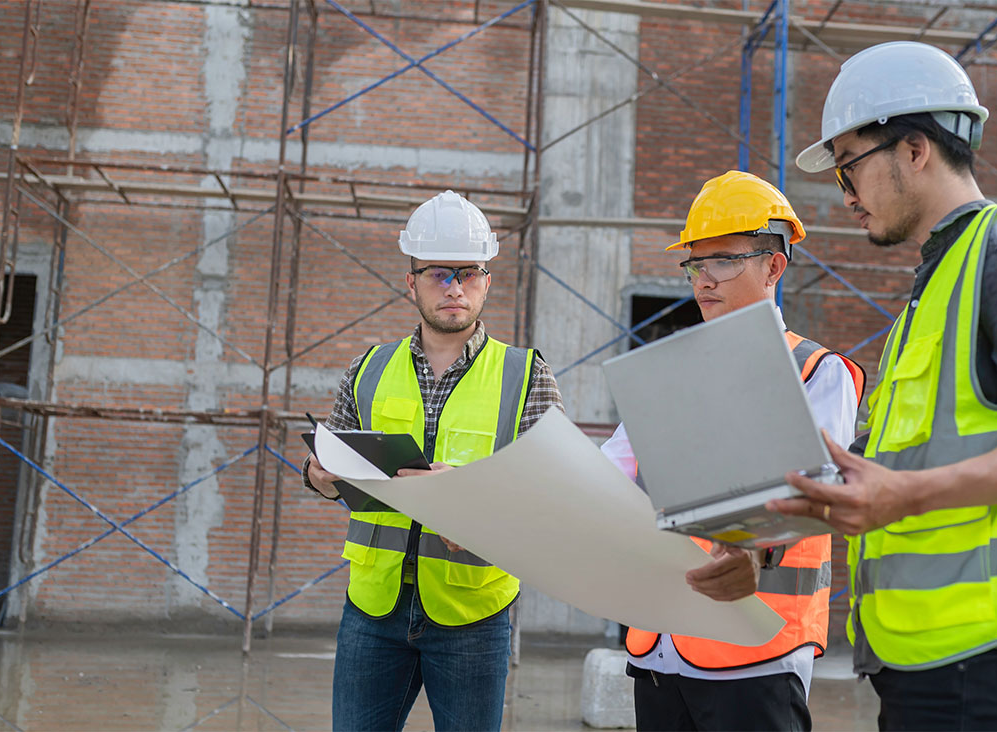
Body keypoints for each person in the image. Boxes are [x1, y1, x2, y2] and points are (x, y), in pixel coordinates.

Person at [776, 41, 997, 730]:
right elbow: (894, 475)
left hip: (986, 667)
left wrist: (904, 494)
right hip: (925, 663)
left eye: (850, 167)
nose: (845, 195)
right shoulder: (937, 283)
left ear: (914, 150)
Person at [601, 170, 865, 732]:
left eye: (724, 260)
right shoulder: (668, 374)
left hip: (754, 645)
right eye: (696, 263)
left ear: (774, 265)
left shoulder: (817, 373)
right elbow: (609, 476)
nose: (705, 279)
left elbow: (811, 498)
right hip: (659, 643)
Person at [303, 190, 564, 732]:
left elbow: (556, 493)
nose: (454, 288)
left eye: (468, 273)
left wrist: (472, 497)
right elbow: (335, 473)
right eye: (438, 273)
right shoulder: (367, 369)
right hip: (374, 607)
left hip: (472, 612)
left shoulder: (526, 375)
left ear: (487, 280)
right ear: (411, 282)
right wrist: (321, 478)